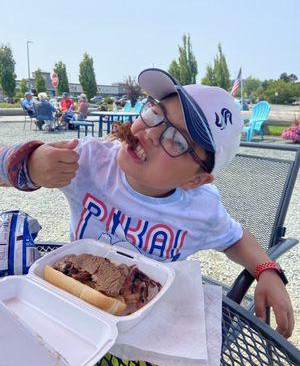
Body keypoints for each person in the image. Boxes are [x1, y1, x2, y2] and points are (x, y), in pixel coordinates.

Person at [0, 68, 294, 344]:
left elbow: (236, 238)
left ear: (196, 180)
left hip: (146, 325)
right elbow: (8, 166)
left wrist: (267, 269)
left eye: (178, 141)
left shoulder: (201, 209)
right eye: (155, 113)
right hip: (78, 312)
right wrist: (28, 163)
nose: (151, 133)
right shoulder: (91, 160)